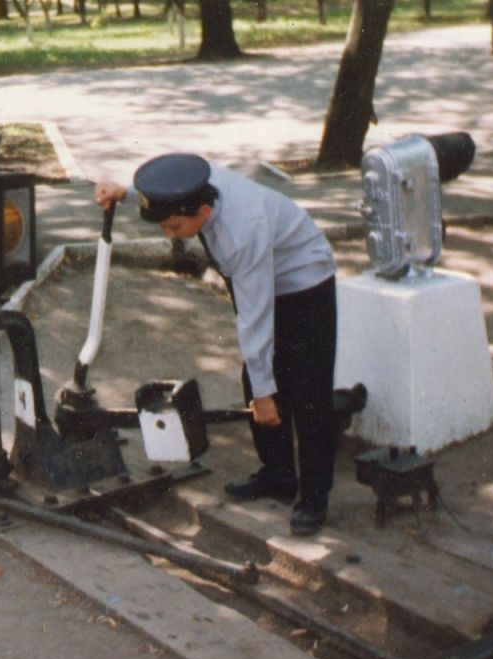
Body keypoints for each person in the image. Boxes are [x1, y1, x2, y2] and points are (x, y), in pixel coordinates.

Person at [94, 155, 339, 537]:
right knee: (256, 378)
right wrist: (124, 192)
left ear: (204, 211)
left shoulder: (244, 230)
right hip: (260, 272)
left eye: (174, 227)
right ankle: (278, 475)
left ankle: (313, 496)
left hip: (304, 278)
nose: (169, 235)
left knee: (307, 390)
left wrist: (265, 394)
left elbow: (254, 319)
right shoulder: (197, 186)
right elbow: (167, 185)